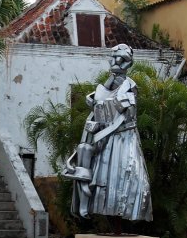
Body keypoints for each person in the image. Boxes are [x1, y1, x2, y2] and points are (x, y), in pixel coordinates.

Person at [63, 44, 152, 226]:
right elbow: (98, 108)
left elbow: (129, 115)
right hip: (103, 140)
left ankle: (121, 213)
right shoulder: (103, 87)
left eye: (122, 59)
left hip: (123, 139)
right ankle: (87, 204)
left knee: (126, 178)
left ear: (129, 62)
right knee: (89, 159)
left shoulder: (129, 86)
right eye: (114, 57)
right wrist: (95, 123)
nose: (116, 62)